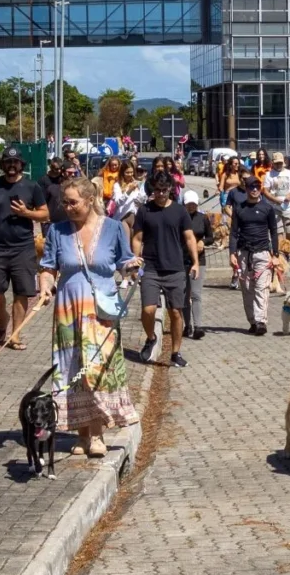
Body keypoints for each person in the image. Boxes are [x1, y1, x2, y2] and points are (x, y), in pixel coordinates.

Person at [41, 175, 138, 457]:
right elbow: (48, 267)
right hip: (68, 311)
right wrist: (46, 287)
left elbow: (124, 261)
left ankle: (97, 435)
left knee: (98, 370)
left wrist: (132, 267)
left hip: (101, 312)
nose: (68, 208)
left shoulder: (114, 228)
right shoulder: (57, 231)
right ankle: (82, 435)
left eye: (73, 203)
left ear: (90, 200)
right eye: (65, 203)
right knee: (73, 370)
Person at [0, 150, 51, 350]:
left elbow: (45, 214)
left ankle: (15, 334)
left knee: (22, 292)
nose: (12, 165)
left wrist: (26, 212)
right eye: (8, 162)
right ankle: (4, 317)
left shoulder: (32, 186)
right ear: (2, 164)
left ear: (21, 164)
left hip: (23, 248)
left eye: (16, 162)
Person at [132, 171, 201, 368]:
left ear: (171, 189)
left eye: (164, 190)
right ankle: (151, 337)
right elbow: (137, 238)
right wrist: (135, 260)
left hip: (175, 268)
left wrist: (195, 262)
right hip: (150, 268)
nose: (161, 194)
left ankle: (176, 353)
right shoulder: (145, 211)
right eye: (157, 190)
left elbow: (189, 238)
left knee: (176, 312)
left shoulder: (180, 211)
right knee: (148, 309)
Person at [226, 170, 289, 335]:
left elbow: (274, 232)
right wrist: (232, 253)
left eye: (257, 186)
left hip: (262, 253)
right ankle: (253, 321)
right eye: (251, 186)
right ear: (245, 189)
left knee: (261, 289)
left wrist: (276, 254)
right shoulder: (239, 208)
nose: (254, 189)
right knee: (247, 290)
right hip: (243, 253)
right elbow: (233, 233)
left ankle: (261, 322)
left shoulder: (267, 208)